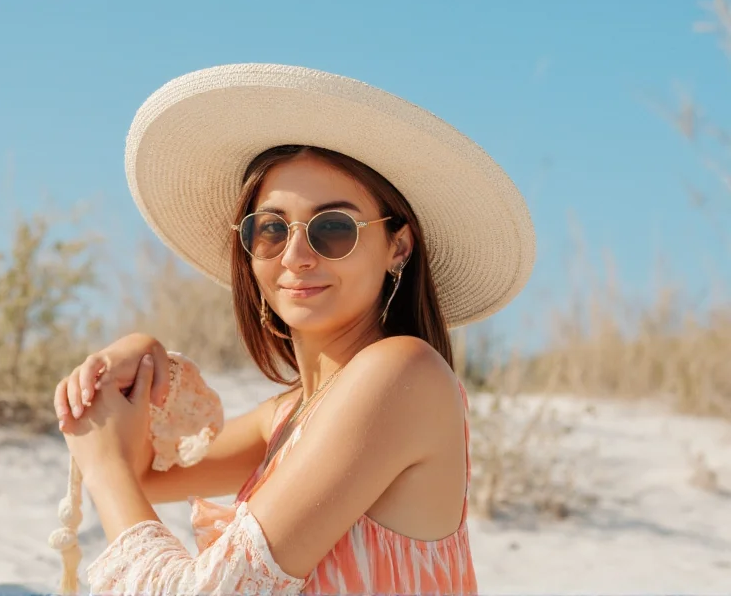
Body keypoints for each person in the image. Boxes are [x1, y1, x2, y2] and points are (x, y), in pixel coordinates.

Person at [52, 63, 535, 595]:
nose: (296, 256)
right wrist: (145, 357)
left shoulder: (403, 373)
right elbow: (146, 471)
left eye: (333, 229)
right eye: (271, 229)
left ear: (398, 246)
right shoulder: (287, 417)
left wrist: (102, 473)